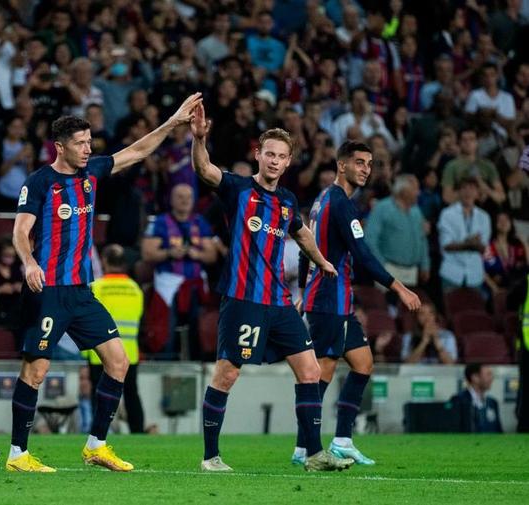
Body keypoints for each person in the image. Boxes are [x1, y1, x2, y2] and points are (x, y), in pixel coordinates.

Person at [8, 94, 202, 473]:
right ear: (59, 146)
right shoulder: (40, 182)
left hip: (82, 291)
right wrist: (29, 262)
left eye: (89, 141)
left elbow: (137, 151)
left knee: (118, 361)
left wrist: (174, 121)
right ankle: (18, 454)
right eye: (80, 143)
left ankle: (96, 445)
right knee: (36, 371)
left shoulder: (92, 172)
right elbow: (20, 230)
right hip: (47, 289)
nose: (87, 148)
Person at [190, 103, 351, 473]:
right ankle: (210, 457)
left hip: (279, 302)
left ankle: (313, 454)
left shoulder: (287, 201)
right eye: (270, 154)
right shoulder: (238, 188)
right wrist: (199, 139)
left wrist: (323, 260)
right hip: (243, 298)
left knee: (310, 371)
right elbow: (204, 169)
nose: (275, 161)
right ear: (257, 155)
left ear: (289, 161)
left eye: (282, 156)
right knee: (228, 374)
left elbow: (301, 231)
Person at [295, 141, 421, 466]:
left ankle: (342, 439)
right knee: (320, 373)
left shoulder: (323, 199)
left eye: (369, 163)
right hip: (328, 300)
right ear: (342, 165)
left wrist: (301, 291)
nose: (365, 168)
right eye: (359, 162)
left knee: (363, 363)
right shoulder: (340, 204)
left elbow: (304, 249)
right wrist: (400, 289)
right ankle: (303, 447)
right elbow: (363, 255)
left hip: (333, 299)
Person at [141, 183, 216, 358]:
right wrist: (169, 253)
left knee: (197, 326)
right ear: (171, 200)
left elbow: (211, 255)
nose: (184, 201)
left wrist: (195, 254)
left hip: (194, 284)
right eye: (180, 197)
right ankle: (166, 359)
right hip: (168, 283)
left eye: (188, 197)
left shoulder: (199, 222)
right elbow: (147, 252)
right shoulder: (161, 222)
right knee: (167, 325)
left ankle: (197, 360)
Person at [85, 244, 145, 434]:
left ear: (104, 261)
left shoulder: (97, 287)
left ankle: (99, 433)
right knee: (131, 394)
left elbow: (87, 320)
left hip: (100, 352)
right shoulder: (135, 289)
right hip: (129, 352)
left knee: (99, 393)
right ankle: (138, 431)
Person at [364, 174, 430, 288]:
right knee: (387, 305)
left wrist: (425, 265)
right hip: (389, 269)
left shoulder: (416, 212)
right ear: (403, 191)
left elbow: (422, 239)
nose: (418, 193)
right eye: (415, 189)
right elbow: (370, 239)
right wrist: (382, 265)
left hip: (412, 271)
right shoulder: (382, 208)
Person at [438, 176, 492, 292]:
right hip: (451, 273)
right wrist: (470, 243)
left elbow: (483, 248)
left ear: (478, 193)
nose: (468, 192)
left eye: (472, 188)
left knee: (475, 310)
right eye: (464, 188)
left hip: (475, 275)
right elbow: (446, 245)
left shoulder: (484, 217)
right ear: (458, 192)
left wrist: (466, 244)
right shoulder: (447, 214)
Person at [450, 364, 503, 433]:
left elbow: (499, 431)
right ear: (475, 377)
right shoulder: (458, 400)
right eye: (488, 374)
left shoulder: (493, 402)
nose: (492, 378)